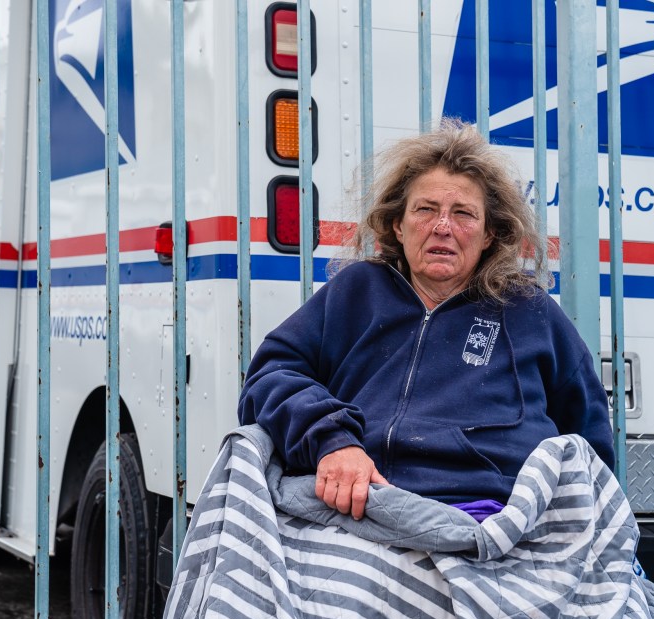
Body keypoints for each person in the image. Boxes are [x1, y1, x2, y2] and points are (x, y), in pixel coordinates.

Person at [238, 119, 615, 522]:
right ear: (398, 225)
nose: (442, 227)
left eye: (464, 214)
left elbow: (589, 444)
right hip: (360, 507)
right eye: (425, 209)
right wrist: (332, 440)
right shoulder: (356, 291)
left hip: (489, 518)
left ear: (489, 234)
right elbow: (271, 375)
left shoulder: (529, 310)